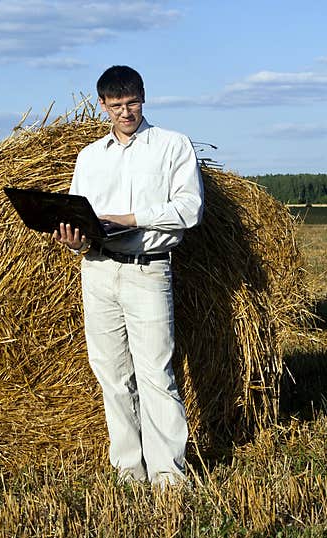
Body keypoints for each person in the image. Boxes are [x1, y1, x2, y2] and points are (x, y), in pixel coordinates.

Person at [52, 65, 204, 489]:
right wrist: (74, 240)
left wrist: (131, 218)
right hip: (96, 269)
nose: (125, 112)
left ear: (144, 97)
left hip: (147, 269)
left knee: (156, 372)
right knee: (111, 374)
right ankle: (128, 473)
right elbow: (79, 213)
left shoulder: (173, 146)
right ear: (101, 104)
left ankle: (169, 476)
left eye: (132, 103)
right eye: (116, 105)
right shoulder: (90, 157)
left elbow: (189, 210)